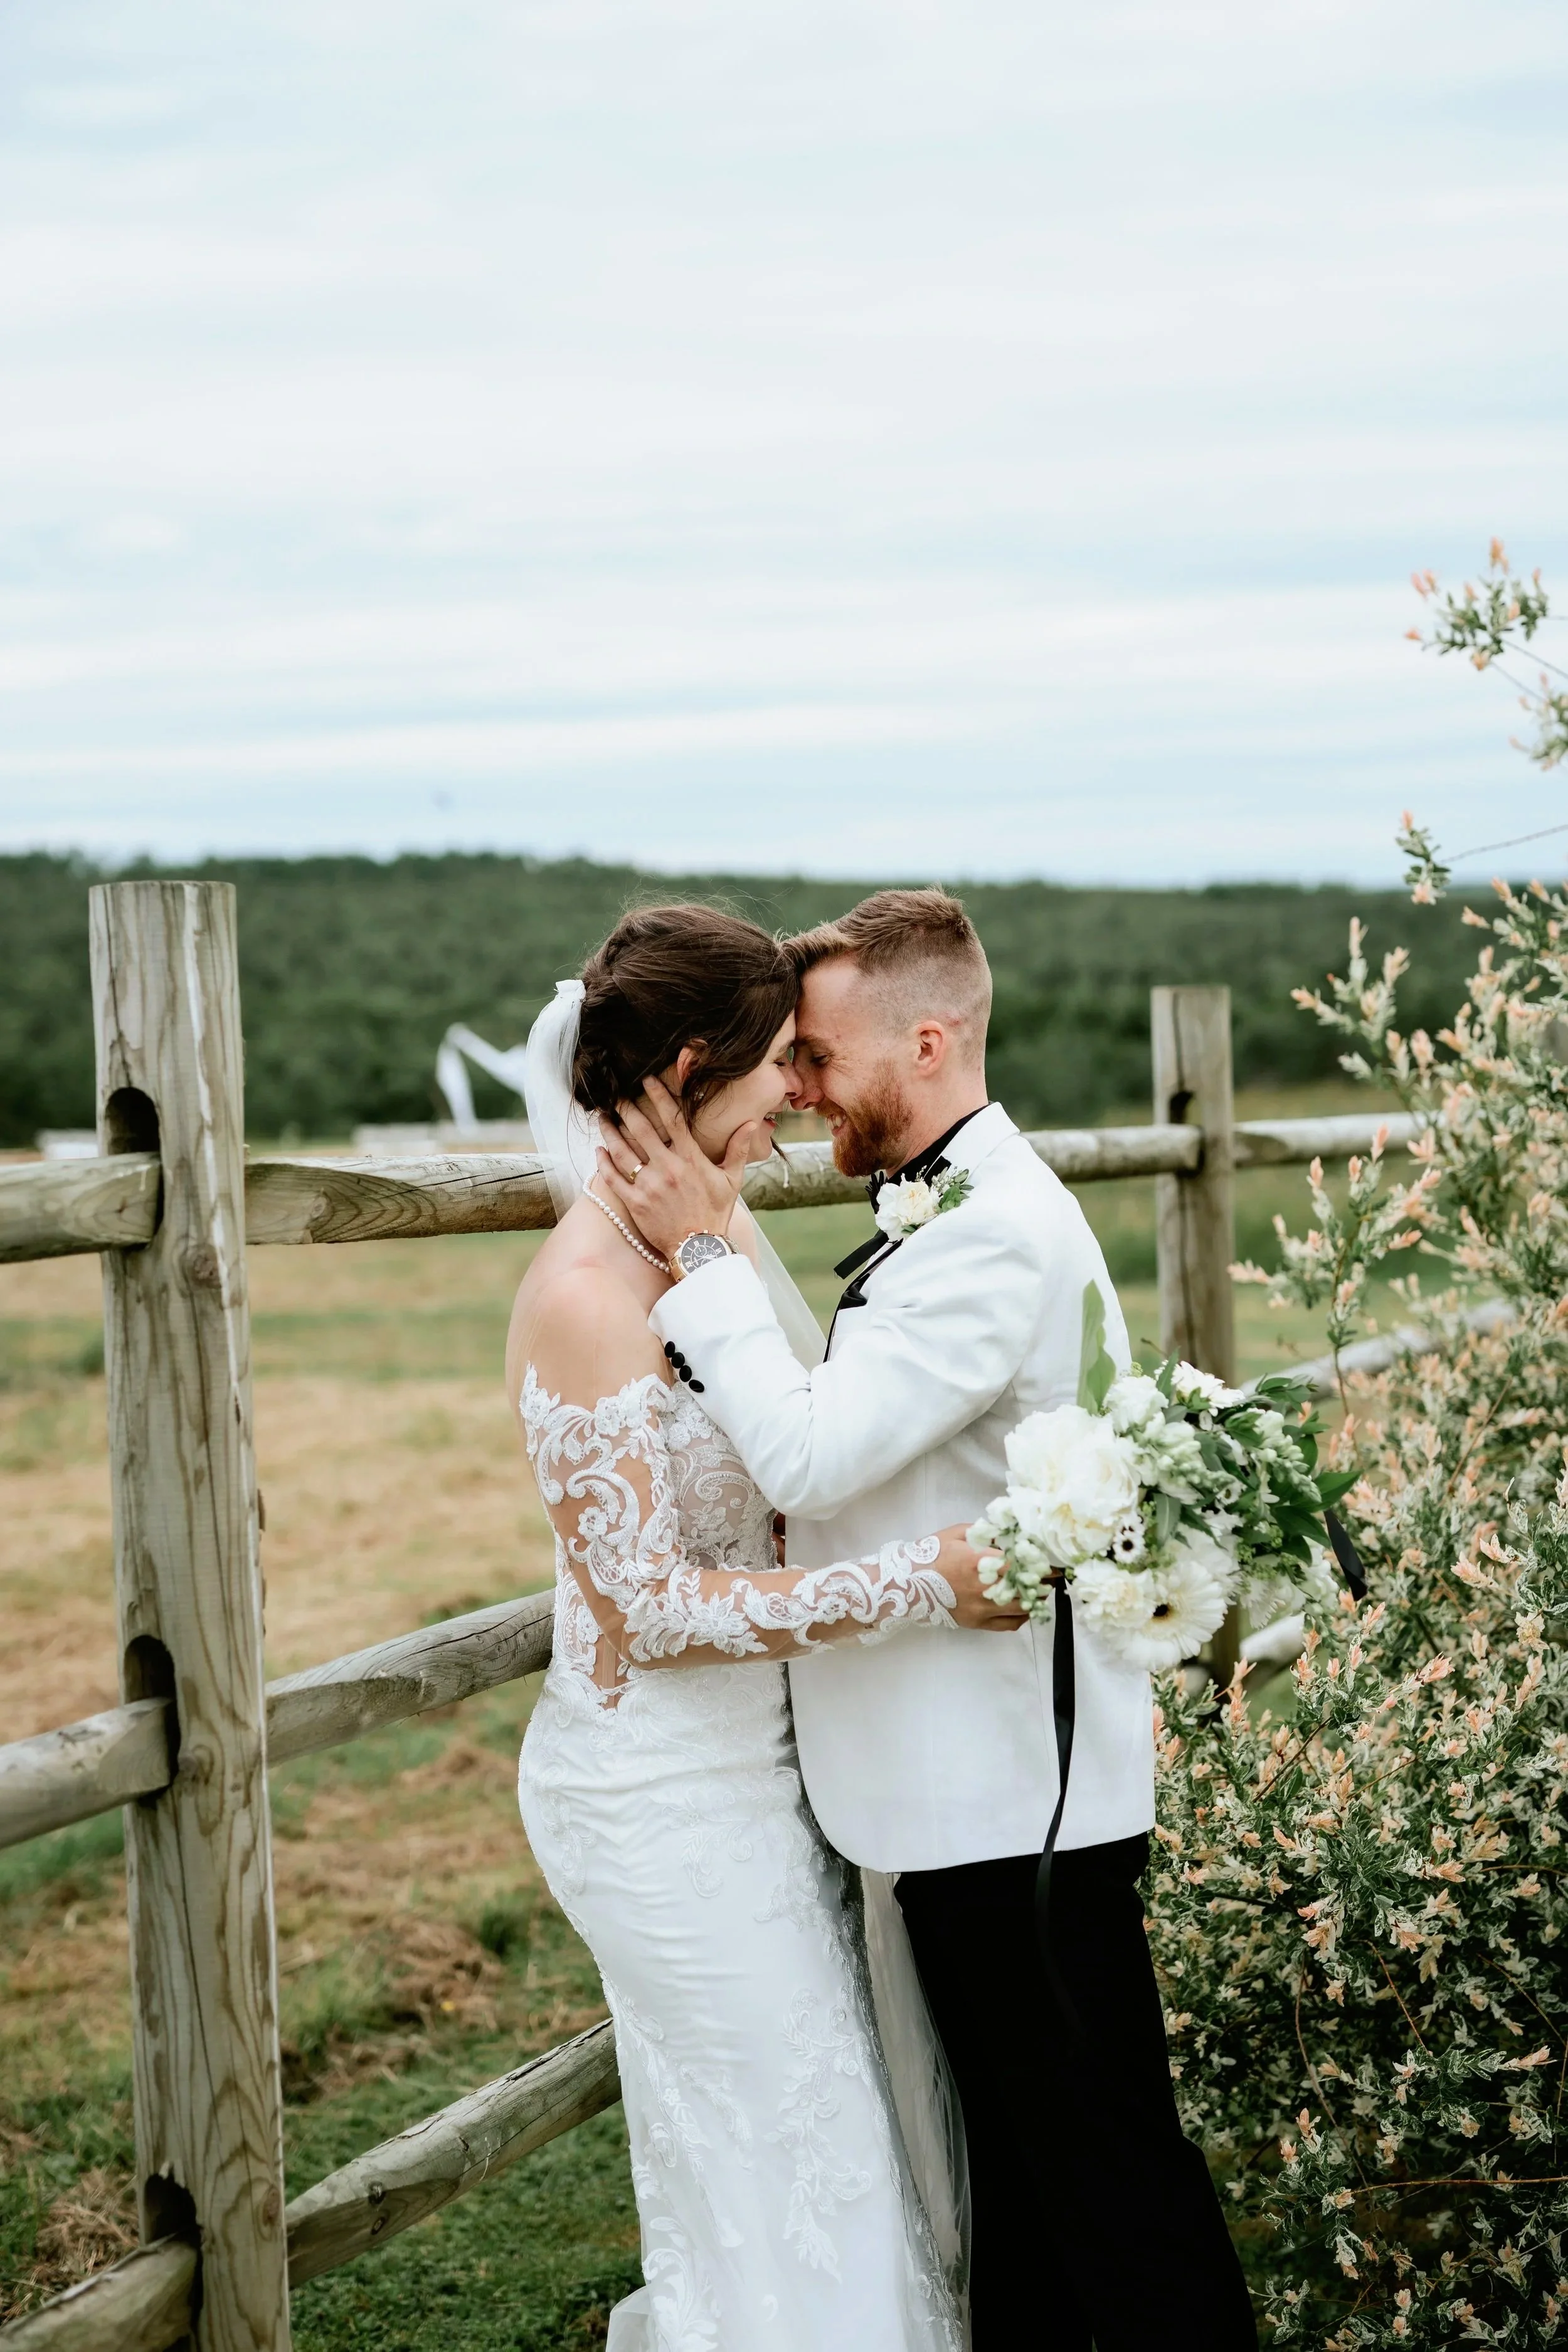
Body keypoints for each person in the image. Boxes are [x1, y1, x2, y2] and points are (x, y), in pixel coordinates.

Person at [598, 887, 1258, 2352]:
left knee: (1111, 2199)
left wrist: (705, 1259)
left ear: (931, 1039)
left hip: (1010, 1808)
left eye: (821, 1056)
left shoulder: (989, 1230)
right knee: (1031, 2203)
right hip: (973, 1801)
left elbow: (818, 1455)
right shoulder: (958, 1200)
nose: (802, 1084)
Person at [506, 902, 1020, 2352]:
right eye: (776, 1068)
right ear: (692, 1065)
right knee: (799, 2166)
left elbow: (797, 1471)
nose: (793, 1103)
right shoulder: (583, 1301)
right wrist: (931, 1580)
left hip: (768, 1779)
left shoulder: (707, 1244)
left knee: (820, 2160)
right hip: (656, 1800)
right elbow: (654, 1613)